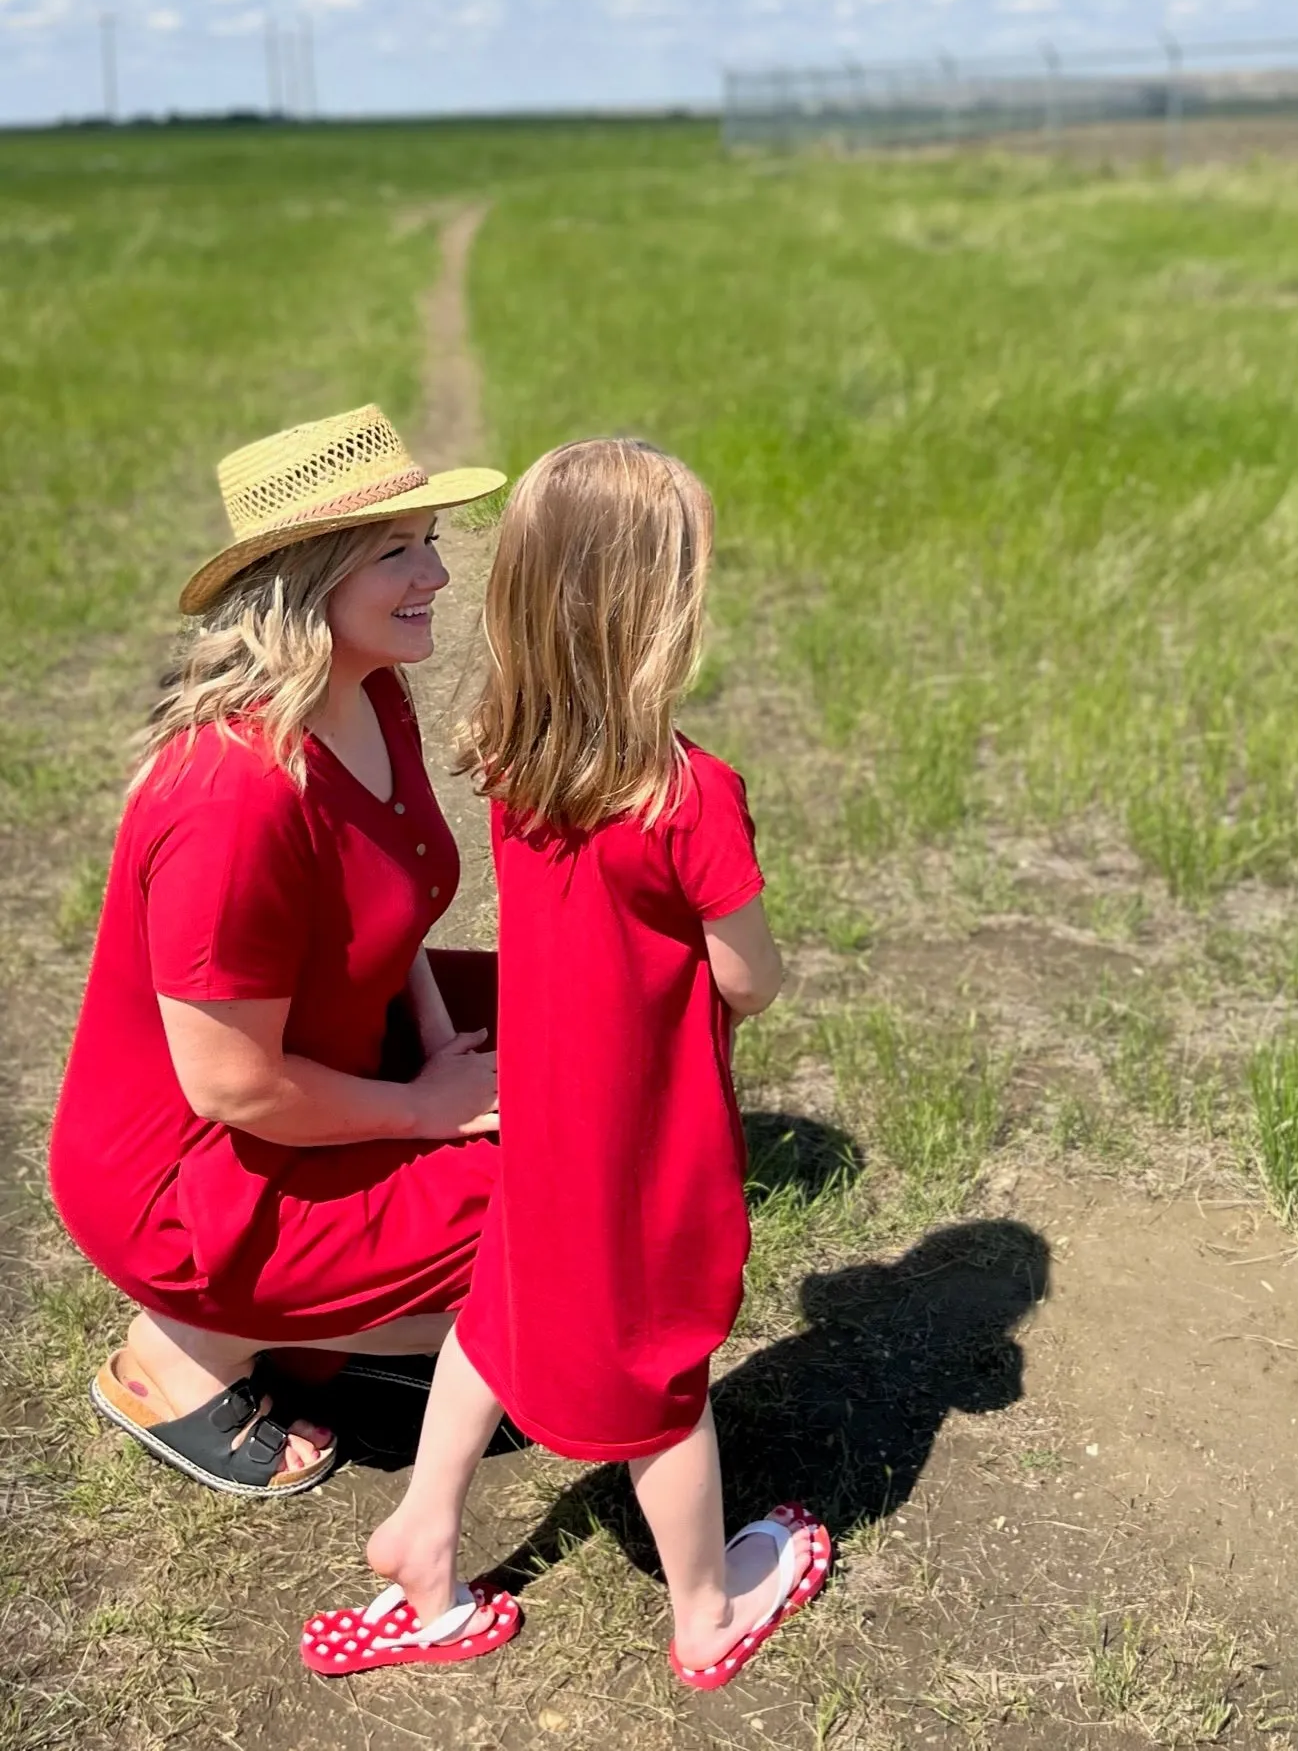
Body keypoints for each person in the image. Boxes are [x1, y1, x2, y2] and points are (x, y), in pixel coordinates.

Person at [301, 439, 830, 1684]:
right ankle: (705, 1610)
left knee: (502, 1298)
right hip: (641, 1136)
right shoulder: (688, 793)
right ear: (662, 613)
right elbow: (746, 974)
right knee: (659, 1368)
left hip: (539, 1110)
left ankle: (424, 1539)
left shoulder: (507, 748)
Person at [49, 404, 508, 1496]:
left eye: (430, 541)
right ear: (302, 581)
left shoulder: (366, 688)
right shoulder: (234, 795)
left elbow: (394, 916)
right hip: (189, 1185)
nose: (436, 575)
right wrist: (424, 1110)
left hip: (327, 1063)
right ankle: (196, 1342)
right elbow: (231, 1086)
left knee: (601, 1027)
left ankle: (341, 1323)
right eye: (395, 551)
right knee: (570, 1185)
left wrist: (444, 1048)